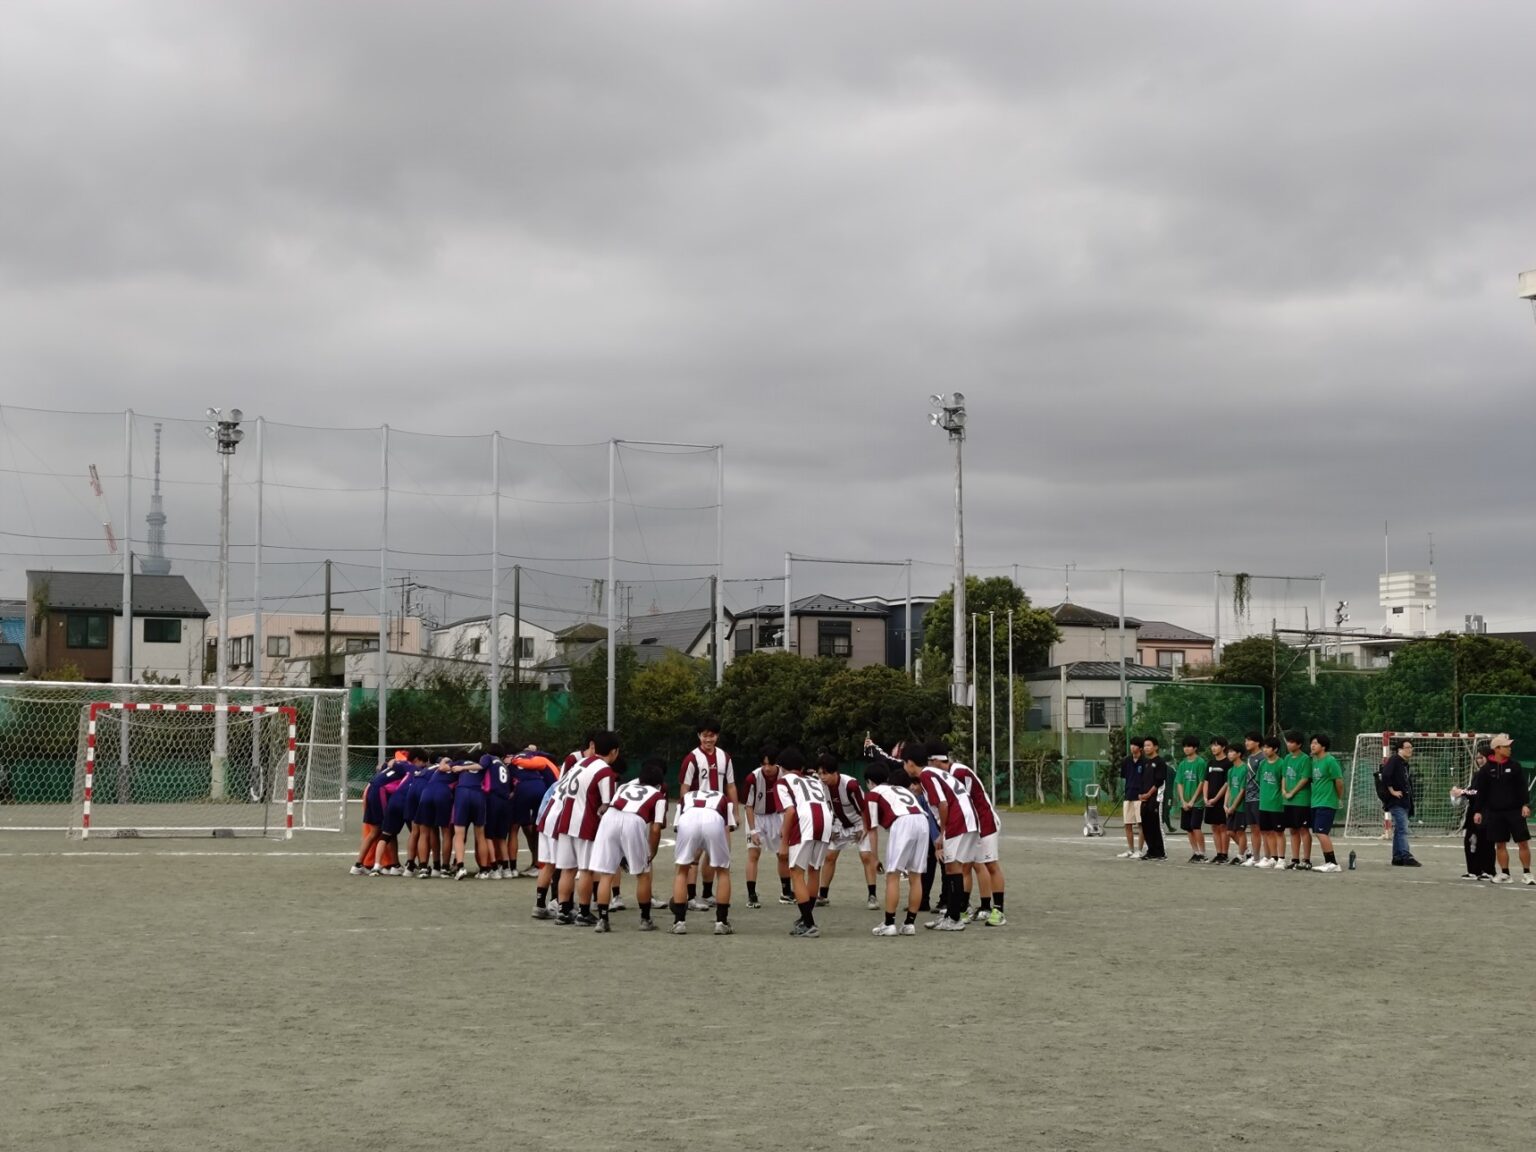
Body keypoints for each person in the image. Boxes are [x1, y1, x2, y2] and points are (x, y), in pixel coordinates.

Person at [907, 742, 981, 929]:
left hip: (959, 821)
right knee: (955, 867)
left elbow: (942, 803)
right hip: (967, 818)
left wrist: (942, 833)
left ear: (910, 763)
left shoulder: (926, 776)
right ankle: (951, 914)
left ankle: (954, 918)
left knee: (952, 868)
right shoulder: (934, 773)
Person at [591, 758, 668, 932]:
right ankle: (645, 919)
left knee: (606, 874)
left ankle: (602, 920)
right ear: (659, 784)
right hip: (633, 821)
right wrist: (652, 852)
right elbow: (655, 828)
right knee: (643, 874)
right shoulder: (658, 796)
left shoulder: (623, 787)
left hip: (610, 818)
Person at [864, 757, 929, 936]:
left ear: (869, 781)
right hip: (922, 821)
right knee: (916, 876)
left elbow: (872, 830)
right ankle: (909, 924)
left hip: (902, 822)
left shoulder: (873, 794)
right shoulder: (900, 789)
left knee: (892, 875)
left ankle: (889, 923)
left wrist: (874, 858)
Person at [678, 718, 736, 910]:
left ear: (717, 736)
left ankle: (707, 893)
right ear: (699, 736)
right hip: (696, 811)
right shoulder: (692, 758)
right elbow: (684, 788)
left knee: (716, 854)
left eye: (711, 735)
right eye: (704, 735)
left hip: (718, 812)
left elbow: (730, 785)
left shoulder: (725, 757)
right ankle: (691, 897)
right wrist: (685, 812)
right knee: (694, 855)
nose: (708, 739)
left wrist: (734, 811)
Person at [668, 774, 737, 935]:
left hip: (688, 819)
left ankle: (679, 922)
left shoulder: (686, 797)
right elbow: (729, 827)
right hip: (713, 818)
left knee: (682, 870)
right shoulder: (722, 797)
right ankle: (721, 922)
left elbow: (677, 826)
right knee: (723, 871)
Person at [778, 746, 835, 937]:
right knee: (814, 869)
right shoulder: (814, 780)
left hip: (806, 821)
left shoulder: (783, 782)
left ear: (781, 767)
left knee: (796, 872)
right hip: (825, 820)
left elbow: (790, 811)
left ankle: (809, 923)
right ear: (801, 767)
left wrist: (784, 842)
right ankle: (805, 919)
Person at [950, 754, 1005, 925]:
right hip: (971, 825)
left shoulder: (958, 772)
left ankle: (996, 909)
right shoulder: (949, 775)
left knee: (990, 864)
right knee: (966, 865)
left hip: (985, 822)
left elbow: (963, 801)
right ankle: (965, 908)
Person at [817, 752, 876, 910]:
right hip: (839, 823)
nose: (822, 777)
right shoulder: (821, 784)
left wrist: (865, 828)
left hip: (858, 823)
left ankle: (872, 896)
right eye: (820, 773)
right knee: (829, 857)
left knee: (866, 856)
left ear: (835, 772)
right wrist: (829, 828)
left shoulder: (850, 785)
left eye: (825, 773)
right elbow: (825, 807)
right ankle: (823, 895)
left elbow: (863, 808)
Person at [1471, 733, 1532, 885]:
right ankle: (1505, 873)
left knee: (1523, 842)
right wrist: (1478, 811)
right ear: (1497, 749)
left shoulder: (1515, 766)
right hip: (1495, 812)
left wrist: (1525, 804)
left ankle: (1527, 873)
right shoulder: (1486, 770)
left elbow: (1522, 788)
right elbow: (1482, 792)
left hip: (1515, 811)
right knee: (1500, 844)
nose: (1509, 749)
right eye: (1506, 746)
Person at [740, 744, 792, 908]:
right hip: (757, 816)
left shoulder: (785, 776)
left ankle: (786, 892)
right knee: (753, 854)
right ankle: (752, 895)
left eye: (770, 764)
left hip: (777, 816)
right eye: (763, 764)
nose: (767, 768)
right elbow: (748, 806)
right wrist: (753, 830)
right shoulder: (752, 778)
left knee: (783, 855)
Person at [352, 752, 411, 875]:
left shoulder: (391, 766)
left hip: (370, 791)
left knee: (382, 831)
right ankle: (389, 865)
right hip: (380, 794)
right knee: (385, 830)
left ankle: (359, 864)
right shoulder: (407, 768)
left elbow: (382, 768)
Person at [508, 748, 559, 876]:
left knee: (514, 828)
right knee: (538, 828)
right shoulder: (534, 756)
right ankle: (538, 863)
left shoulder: (510, 763)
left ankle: (512, 868)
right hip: (540, 787)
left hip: (522, 789)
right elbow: (550, 757)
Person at [1452, 741, 1495, 880]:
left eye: (1482, 757)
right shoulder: (1479, 773)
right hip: (1474, 810)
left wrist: (1462, 792)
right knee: (1470, 840)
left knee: (1485, 842)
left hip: (1486, 812)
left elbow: (1478, 792)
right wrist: (1460, 792)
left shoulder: (1492, 772)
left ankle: (1488, 870)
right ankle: (1473, 870)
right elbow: (1473, 790)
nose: (1479, 760)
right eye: (1477, 757)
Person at [1379, 737, 1420, 867]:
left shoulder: (1404, 764)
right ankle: (1405, 855)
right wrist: (1392, 791)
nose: (1410, 750)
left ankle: (1397, 857)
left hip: (1404, 801)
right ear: (1399, 749)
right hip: (1397, 802)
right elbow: (1385, 775)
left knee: (1399, 829)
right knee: (1402, 828)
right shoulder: (1395, 760)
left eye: (1411, 747)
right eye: (1407, 747)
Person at [1308, 734, 1345, 872]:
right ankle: (1329, 862)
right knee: (1318, 832)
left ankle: (1333, 863)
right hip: (1315, 801)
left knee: (1322, 832)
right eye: (1311, 743)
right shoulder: (1314, 761)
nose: (1312, 745)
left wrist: (1338, 798)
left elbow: (1339, 781)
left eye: (1316, 743)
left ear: (1323, 746)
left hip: (1327, 801)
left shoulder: (1330, 761)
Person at [449, 757, 489, 880]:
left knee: (459, 834)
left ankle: (460, 866)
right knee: (480, 835)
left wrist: (447, 762)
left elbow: (444, 767)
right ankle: (484, 870)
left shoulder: (460, 762)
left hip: (463, 792)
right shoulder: (483, 763)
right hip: (478, 793)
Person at [1280, 731, 1311, 871]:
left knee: (1303, 829)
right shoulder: (1286, 758)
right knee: (1292, 830)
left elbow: (1304, 779)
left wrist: (1293, 792)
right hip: (1288, 801)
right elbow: (1284, 776)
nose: (1289, 744)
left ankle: (1306, 860)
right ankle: (1295, 859)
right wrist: (1284, 791)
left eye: (1292, 742)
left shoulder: (1305, 759)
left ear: (1299, 744)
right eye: (1288, 741)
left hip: (1301, 800)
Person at [1255, 736, 1286, 868]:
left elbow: (1283, 783)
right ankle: (1273, 857)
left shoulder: (1282, 763)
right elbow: (1259, 781)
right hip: (1264, 804)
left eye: (1268, 747)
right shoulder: (1262, 764)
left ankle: (1281, 859)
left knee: (1278, 832)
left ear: (1275, 749)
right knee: (1267, 832)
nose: (1265, 750)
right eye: (1264, 747)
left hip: (1277, 804)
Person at [1175, 737, 1207, 862]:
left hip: (1197, 802)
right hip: (1185, 802)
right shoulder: (1182, 764)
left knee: (1196, 826)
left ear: (1195, 748)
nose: (1186, 749)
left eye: (1189, 746)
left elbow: (1201, 782)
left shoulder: (1200, 763)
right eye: (1184, 746)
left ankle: (1203, 853)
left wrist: (1193, 800)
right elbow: (1180, 783)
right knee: (1188, 827)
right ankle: (1195, 852)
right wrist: (1183, 800)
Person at [1137, 737, 1168, 861]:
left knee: (1156, 825)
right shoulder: (1145, 762)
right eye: (1145, 746)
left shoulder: (1160, 762)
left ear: (1156, 747)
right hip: (1144, 799)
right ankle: (1151, 850)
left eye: (1149, 745)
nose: (1146, 748)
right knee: (1146, 825)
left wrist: (1149, 794)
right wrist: (1141, 794)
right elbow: (1142, 781)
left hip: (1156, 799)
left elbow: (1159, 781)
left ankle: (1160, 852)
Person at [1202, 737, 1230, 864]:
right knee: (1214, 827)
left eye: (1216, 745)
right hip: (1210, 800)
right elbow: (1206, 781)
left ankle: (1224, 854)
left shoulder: (1228, 763)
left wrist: (1216, 798)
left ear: (1223, 747)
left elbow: (1227, 784)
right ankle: (1218, 853)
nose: (1213, 748)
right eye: (1212, 745)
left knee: (1222, 826)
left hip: (1222, 800)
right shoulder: (1210, 763)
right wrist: (1205, 797)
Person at [1223, 743, 1250, 866]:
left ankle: (1241, 856)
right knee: (1229, 832)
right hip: (1230, 806)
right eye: (1228, 752)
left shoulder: (1244, 769)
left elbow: (1242, 790)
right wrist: (1226, 804)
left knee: (1240, 831)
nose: (1229, 754)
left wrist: (1234, 806)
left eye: (1232, 752)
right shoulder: (1231, 770)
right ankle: (1247, 852)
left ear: (1239, 754)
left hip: (1241, 806)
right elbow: (1229, 787)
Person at [1118, 737, 1145, 858]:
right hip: (1128, 795)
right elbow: (1124, 777)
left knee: (1141, 824)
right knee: (1127, 823)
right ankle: (1130, 849)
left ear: (1140, 748)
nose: (1132, 747)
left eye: (1135, 745)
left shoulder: (1145, 761)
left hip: (1140, 797)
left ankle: (1139, 850)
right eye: (1131, 745)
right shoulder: (1126, 761)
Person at [1242, 732, 1265, 865]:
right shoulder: (1249, 757)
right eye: (1246, 740)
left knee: (1263, 829)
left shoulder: (1263, 757)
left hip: (1259, 798)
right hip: (1249, 798)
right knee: (1253, 828)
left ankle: (1269, 857)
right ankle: (1255, 857)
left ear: (1257, 742)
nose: (1246, 743)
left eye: (1249, 740)